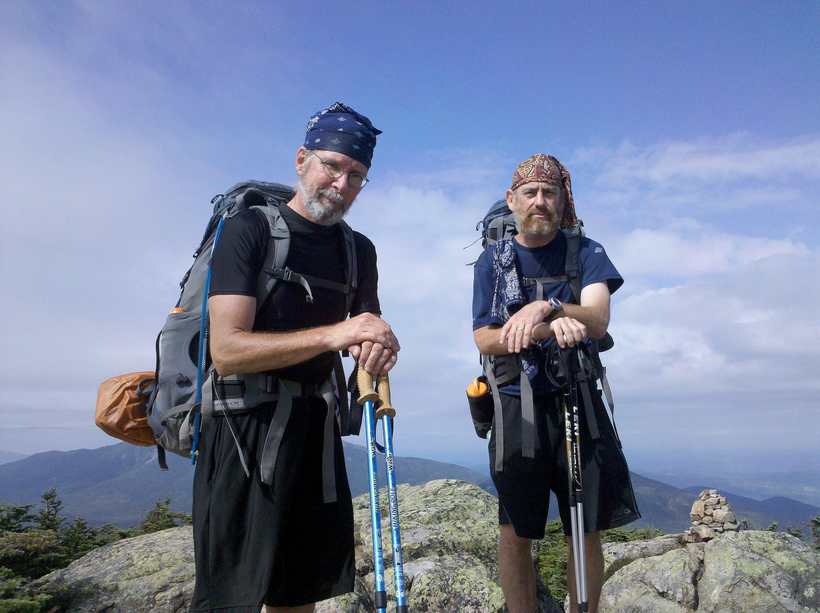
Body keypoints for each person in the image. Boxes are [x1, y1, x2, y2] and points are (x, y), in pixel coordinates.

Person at [189, 102, 400, 613]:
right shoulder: (248, 231)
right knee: (230, 600)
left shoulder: (358, 251)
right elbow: (228, 349)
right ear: (302, 159)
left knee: (299, 595)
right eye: (332, 166)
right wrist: (336, 335)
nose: (342, 184)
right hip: (243, 432)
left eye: (357, 176)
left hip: (315, 434)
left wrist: (378, 347)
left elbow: (363, 334)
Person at [471, 154, 640, 613]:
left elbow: (598, 319)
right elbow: (485, 337)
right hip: (515, 407)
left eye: (549, 193)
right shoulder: (493, 261)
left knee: (585, 528)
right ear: (513, 200)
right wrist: (549, 323)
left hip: (577, 398)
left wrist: (546, 308)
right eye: (530, 193)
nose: (540, 202)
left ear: (562, 199)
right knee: (515, 530)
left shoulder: (586, 252)